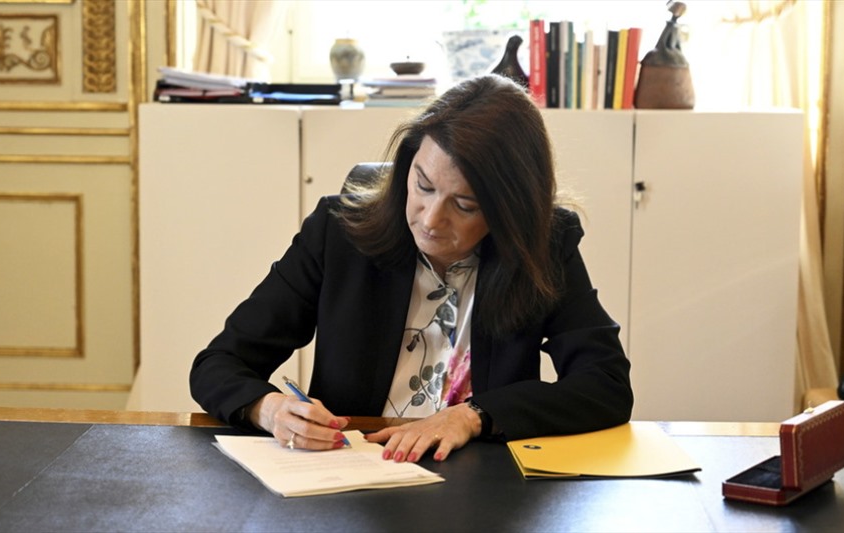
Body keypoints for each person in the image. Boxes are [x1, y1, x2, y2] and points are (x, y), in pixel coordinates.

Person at [190, 74, 632, 464]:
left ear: (509, 212)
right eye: (423, 185)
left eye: (464, 205)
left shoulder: (544, 245)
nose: (430, 218)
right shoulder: (338, 232)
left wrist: (473, 415)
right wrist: (267, 409)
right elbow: (219, 363)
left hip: (483, 483)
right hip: (352, 475)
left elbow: (606, 383)